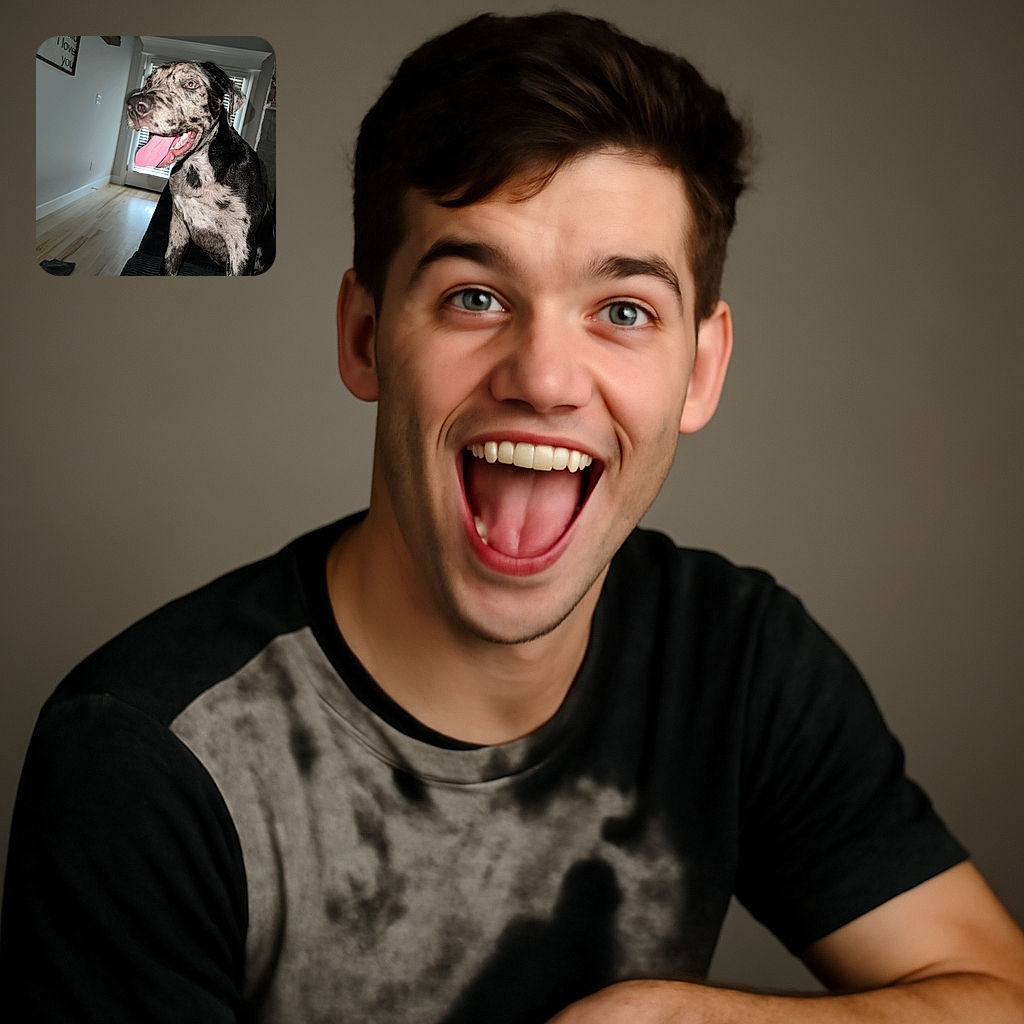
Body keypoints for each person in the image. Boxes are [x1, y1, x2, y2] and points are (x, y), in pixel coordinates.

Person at [3, 11, 1023, 1023]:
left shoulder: (735, 663)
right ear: (364, 337)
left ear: (701, 370)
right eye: (473, 297)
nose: (543, 376)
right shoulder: (149, 754)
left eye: (623, 311)